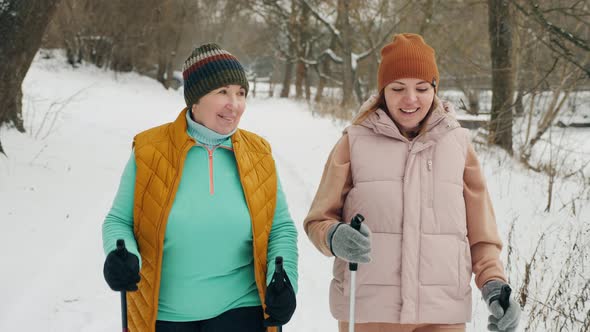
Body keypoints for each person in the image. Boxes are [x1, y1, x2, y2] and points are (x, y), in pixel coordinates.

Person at [303, 33, 521, 332]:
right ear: (383, 91)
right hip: (369, 312)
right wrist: (334, 236)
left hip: (441, 314)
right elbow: (318, 219)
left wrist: (494, 284)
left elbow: (481, 233)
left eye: (421, 88)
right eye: (398, 88)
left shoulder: (457, 143)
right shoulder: (353, 142)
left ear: (434, 89)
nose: (410, 99)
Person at [102, 43, 298, 332]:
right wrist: (121, 256)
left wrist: (285, 279)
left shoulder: (259, 153)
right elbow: (119, 221)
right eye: (223, 92)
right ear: (195, 99)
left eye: (240, 93)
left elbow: (280, 227)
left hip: (242, 309)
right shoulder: (149, 150)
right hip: (166, 314)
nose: (235, 104)